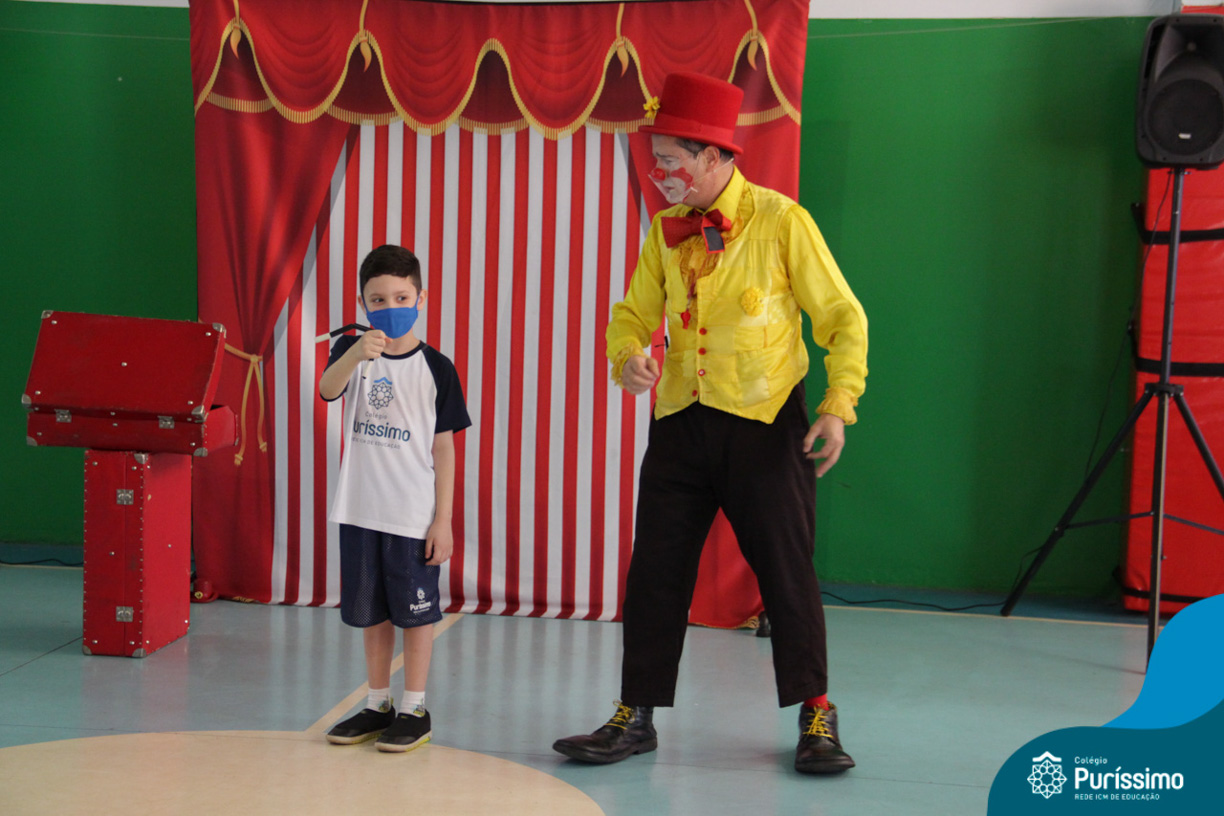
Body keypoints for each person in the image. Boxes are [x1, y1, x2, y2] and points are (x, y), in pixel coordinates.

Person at [552, 72, 868, 774]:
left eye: (672, 160)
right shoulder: (665, 232)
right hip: (681, 421)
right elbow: (631, 315)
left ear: (716, 156)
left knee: (786, 572)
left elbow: (843, 318)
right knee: (656, 573)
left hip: (765, 422)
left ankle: (817, 714)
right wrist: (629, 357)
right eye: (655, 159)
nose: (660, 172)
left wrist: (837, 404)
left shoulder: (782, 221)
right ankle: (635, 714)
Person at [318, 244, 470, 753]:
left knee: (416, 614)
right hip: (360, 510)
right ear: (362, 303)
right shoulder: (354, 353)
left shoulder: (437, 368)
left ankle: (415, 708)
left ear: (421, 298)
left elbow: (444, 448)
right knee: (372, 613)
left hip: (412, 515)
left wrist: (443, 520)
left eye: (402, 297)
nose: (390, 306)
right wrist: (355, 353)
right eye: (378, 299)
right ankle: (377, 702)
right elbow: (327, 389)